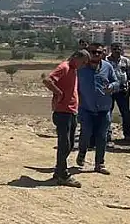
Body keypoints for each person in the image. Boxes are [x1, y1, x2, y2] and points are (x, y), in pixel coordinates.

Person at [42, 50, 90, 187]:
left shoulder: (73, 69)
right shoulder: (64, 67)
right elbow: (47, 80)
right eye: (83, 62)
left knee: (68, 144)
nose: (84, 65)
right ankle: (63, 174)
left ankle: (59, 171)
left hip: (71, 111)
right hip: (63, 111)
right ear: (76, 57)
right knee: (65, 144)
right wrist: (59, 93)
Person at [75, 44, 121, 174]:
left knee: (102, 136)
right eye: (93, 52)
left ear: (102, 54)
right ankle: (82, 153)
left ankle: (99, 163)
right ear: (88, 53)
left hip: (104, 108)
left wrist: (112, 86)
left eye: (99, 52)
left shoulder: (108, 67)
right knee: (86, 134)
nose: (96, 54)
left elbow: (117, 82)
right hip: (86, 108)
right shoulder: (81, 68)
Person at [106, 43, 130, 144]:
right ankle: (107, 136)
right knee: (107, 113)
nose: (117, 50)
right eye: (114, 49)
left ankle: (128, 135)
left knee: (126, 113)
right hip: (110, 91)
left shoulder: (125, 61)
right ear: (111, 49)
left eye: (118, 49)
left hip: (123, 91)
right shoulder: (106, 61)